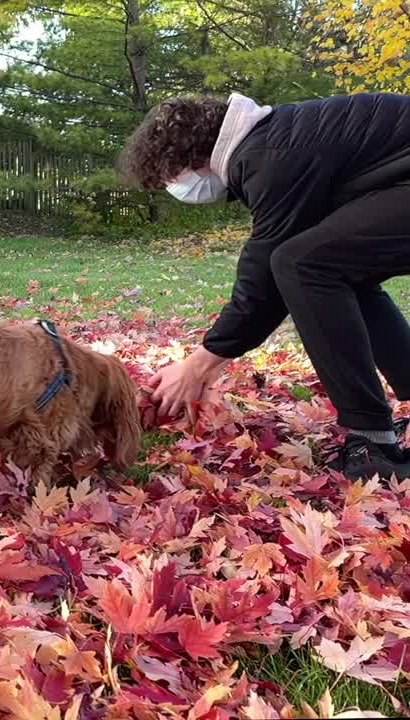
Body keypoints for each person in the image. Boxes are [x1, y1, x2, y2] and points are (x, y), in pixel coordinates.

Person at [117, 91, 410, 480]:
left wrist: (198, 365)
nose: (176, 188)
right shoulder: (275, 139)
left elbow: (263, 284)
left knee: (301, 264)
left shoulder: (268, 155)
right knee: (333, 268)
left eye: (169, 179)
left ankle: (372, 441)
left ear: (191, 160)